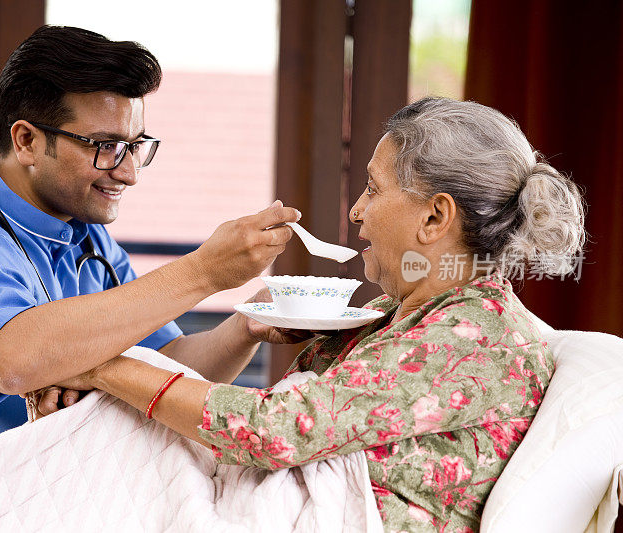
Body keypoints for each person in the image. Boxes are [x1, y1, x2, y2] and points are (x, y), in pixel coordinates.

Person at [61, 97, 586, 532]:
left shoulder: (474, 337)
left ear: (434, 216)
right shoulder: (404, 314)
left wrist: (99, 367)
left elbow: (272, 430)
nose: (357, 209)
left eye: (374, 189)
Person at [0, 25, 309, 476]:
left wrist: (246, 325)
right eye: (106, 147)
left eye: (134, 147)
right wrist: (204, 273)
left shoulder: (84, 234)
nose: (129, 173)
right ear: (27, 141)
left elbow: (167, 366)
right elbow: (13, 361)